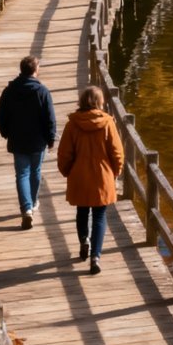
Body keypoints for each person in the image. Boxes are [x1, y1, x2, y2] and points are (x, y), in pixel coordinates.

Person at [57, 85, 124, 275]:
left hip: (80, 175)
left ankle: (84, 240)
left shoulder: (73, 124)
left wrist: (66, 171)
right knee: (100, 216)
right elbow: (117, 152)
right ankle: (96, 256)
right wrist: (116, 172)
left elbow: (64, 153)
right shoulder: (108, 123)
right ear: (99, 102)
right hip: (102, 176)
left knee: (82, 211)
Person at [0, 56, 56, 229]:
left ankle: (26, 208)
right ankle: (33, 200)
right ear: (35, 70)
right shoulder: (42, 91)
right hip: (38, 140)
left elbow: (0, 116)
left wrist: (5, 132)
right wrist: (51, 138)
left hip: (17, 138)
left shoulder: (9, 90)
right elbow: (49, 117)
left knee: (22, 173)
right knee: (35, 171)